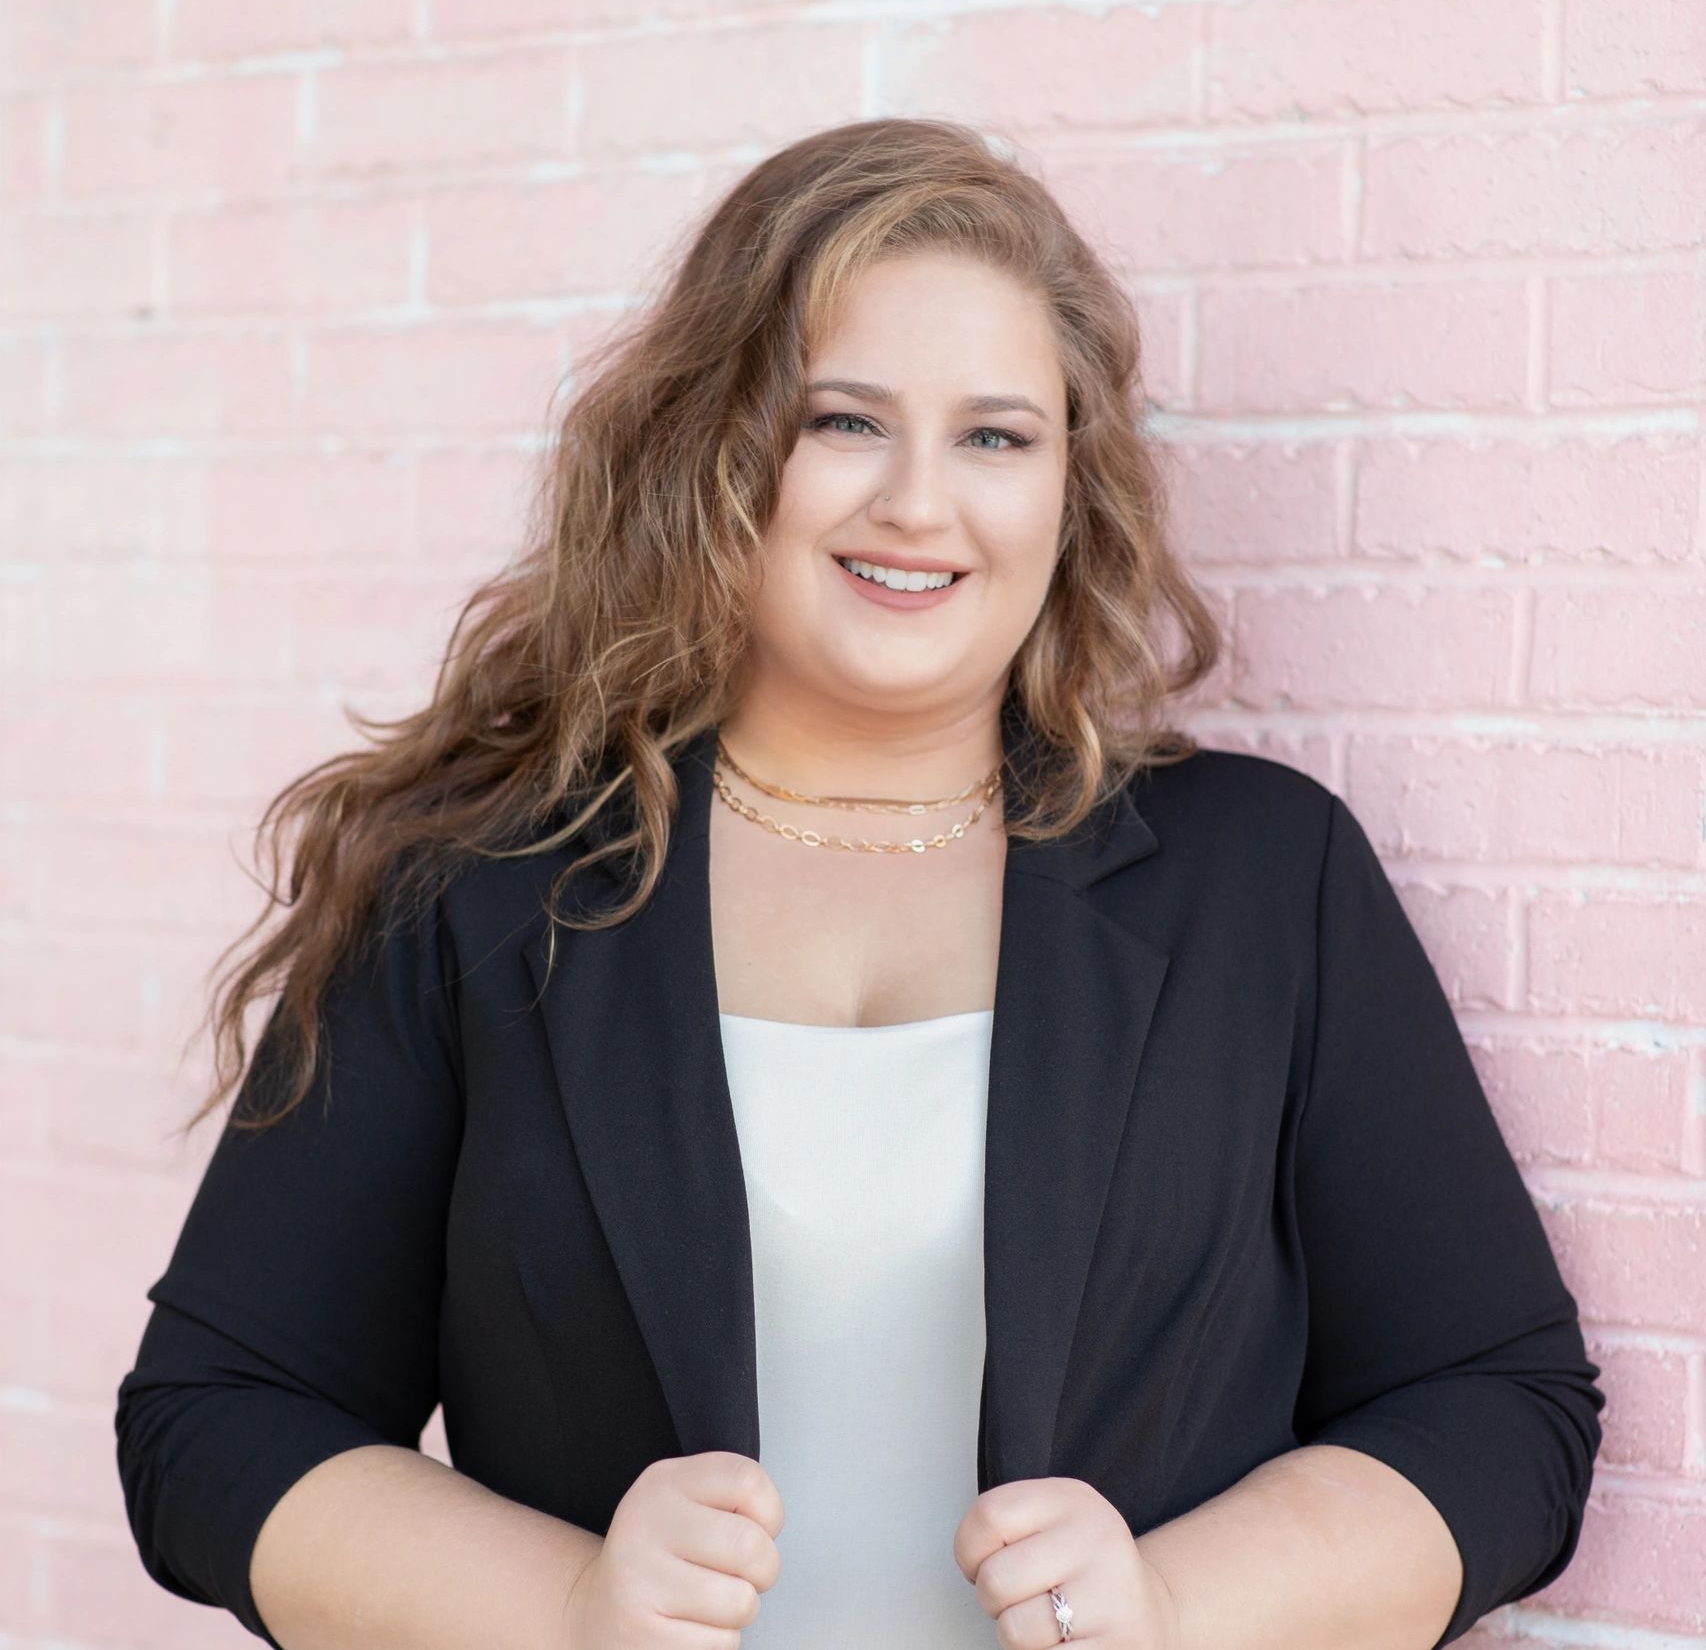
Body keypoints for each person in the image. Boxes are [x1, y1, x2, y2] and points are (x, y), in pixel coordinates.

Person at [115, 117, 1604, 1650]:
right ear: (714, 445)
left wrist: (1180, 1603)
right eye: (842, 420)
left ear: (1066, 490)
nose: (916, 500)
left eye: (994, 435)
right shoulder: (479, 889)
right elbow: (219, 1419)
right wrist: (560, 1606)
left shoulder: (1262, 880)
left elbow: (1499, 1404)